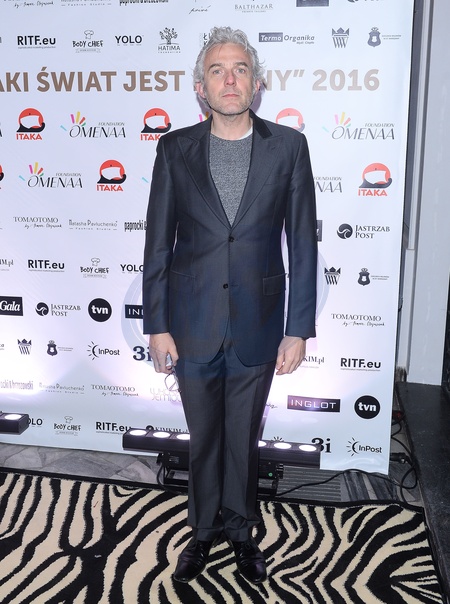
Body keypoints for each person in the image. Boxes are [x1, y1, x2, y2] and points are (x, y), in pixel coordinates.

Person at [142, 26, 317, 584]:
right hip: (190, 323)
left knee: (243, 438)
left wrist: (298, 329)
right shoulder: (175, 149)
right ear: (201, 87)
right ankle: (201, 532)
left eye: (240, 69)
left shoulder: (288, 148)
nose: (229, 79)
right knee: (203, 438)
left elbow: (303, 244)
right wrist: (157, 325)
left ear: (256, 83)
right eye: (217, 71)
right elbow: (157, 244)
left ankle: (241, 533)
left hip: (258, 323)